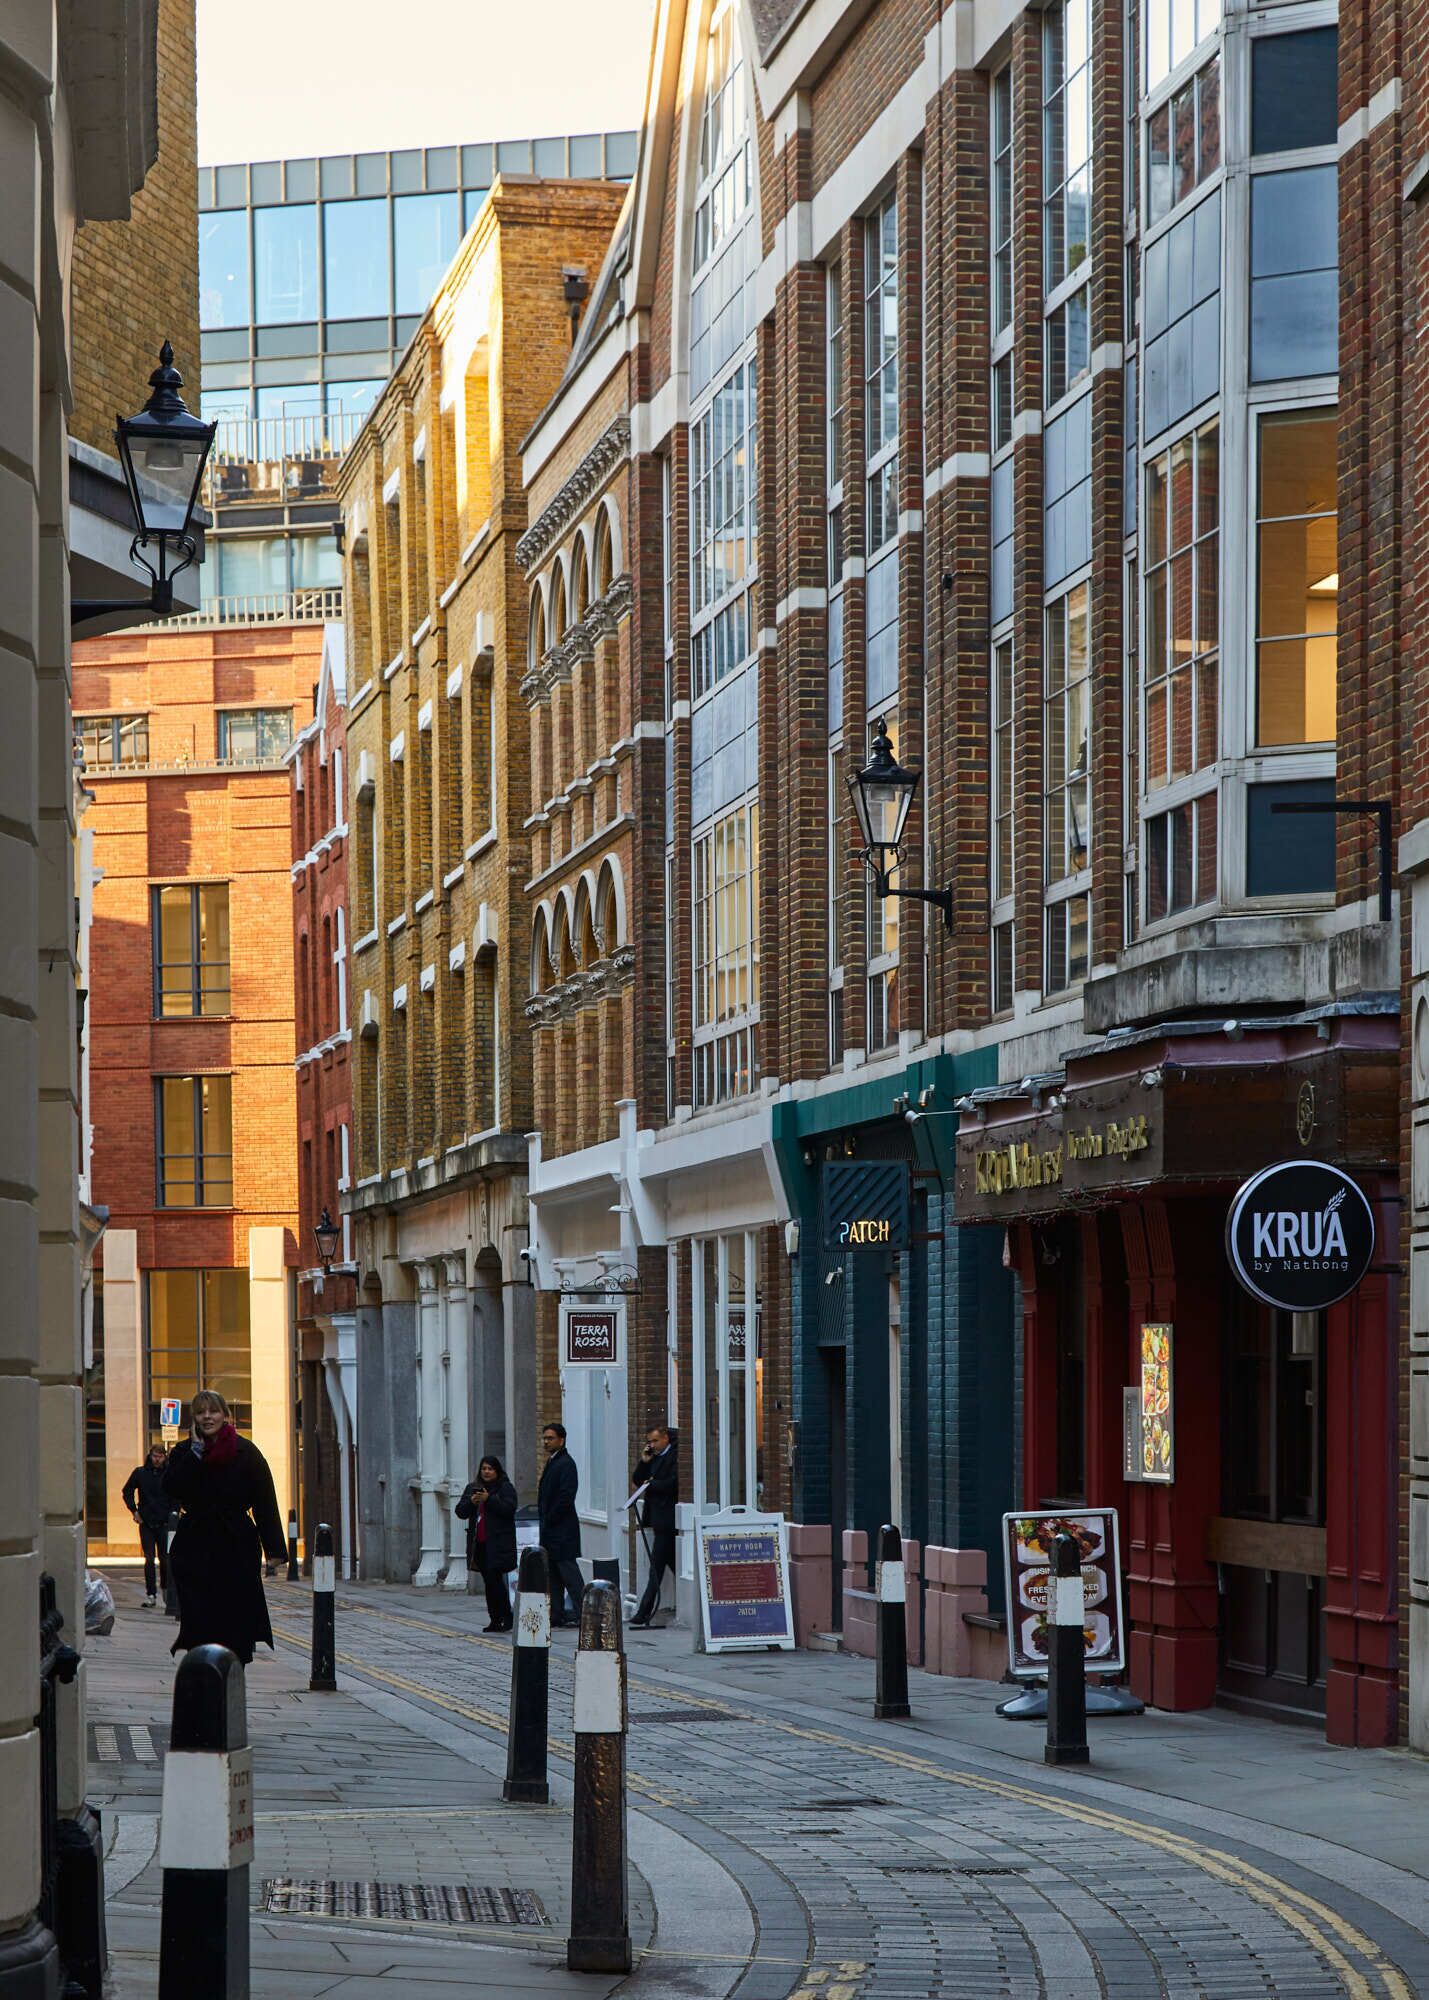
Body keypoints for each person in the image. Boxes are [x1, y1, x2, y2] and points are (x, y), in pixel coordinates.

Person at [161, 1388, 288, 1666]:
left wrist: (274, 1549)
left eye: (213, 1411)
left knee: (235, 1617)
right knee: (200, 1617)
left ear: (225, 1415)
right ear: (193, 1417)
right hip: (195, 1544)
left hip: (236, 1545)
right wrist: (195, 1453)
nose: (207, 1417)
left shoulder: (246, 1452)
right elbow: (171, 1487)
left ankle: (233, 1669)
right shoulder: (185, 1452)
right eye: (200, 1411)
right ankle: (202, 1668)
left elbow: (264, 1500)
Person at [455, 1456, 518, 1632]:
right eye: (484, 1469)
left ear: (497, 1471)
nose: (486, 1472)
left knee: (495, 1581)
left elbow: (509, 1509)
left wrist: (488, 1499)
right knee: (490, 1583)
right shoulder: (472, 1488)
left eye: (490, 1469)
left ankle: (505, 1616)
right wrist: (471, 1502)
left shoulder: (505, 1487)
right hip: (479, 1544)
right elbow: (460, 1512)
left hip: (498, 1543)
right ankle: (496, 1619)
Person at [629, 1423, 678, 1629]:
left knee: (656, 1567)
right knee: (671, 1562)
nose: (652, 1445)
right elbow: (637, 1479)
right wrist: (644, 1461)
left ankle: (643, 1612)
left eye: (655, 1441)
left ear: (666, 1438)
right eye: (649, 1441)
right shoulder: (654, 1457)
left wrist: (651, 1484)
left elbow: (673, 1483)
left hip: (668, 1518)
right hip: (658, 1518)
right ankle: (703, 1598)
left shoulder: (674, 1455)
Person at [537, 1421, 584, 1627]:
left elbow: (566, 1497)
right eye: (545, 1438)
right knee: (554, 1576)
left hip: (562, 1530)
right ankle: (555, 1614)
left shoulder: (566, 1463)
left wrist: (550, 1518)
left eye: (550, 1438)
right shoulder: (553, 1461)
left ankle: (585, 1613)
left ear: (561, 1440)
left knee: (570, 1575)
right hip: (551, 1529)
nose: (546, 1442)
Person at [122, 1443, 171, 1606]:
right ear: (150, 1456)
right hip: (147, 1522)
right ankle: (151, 1594)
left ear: (165, 1457)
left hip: (164, 1522)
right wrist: (134, 1511)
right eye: (155, 1456)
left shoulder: (169, 1474)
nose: (157, 1460)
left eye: (160, 1456)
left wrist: (174, 1513)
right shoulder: (141, 1473)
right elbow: (127, 1491)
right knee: (149, 1559)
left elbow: (177, 1494)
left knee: (165, 1559)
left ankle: (165, 1590)